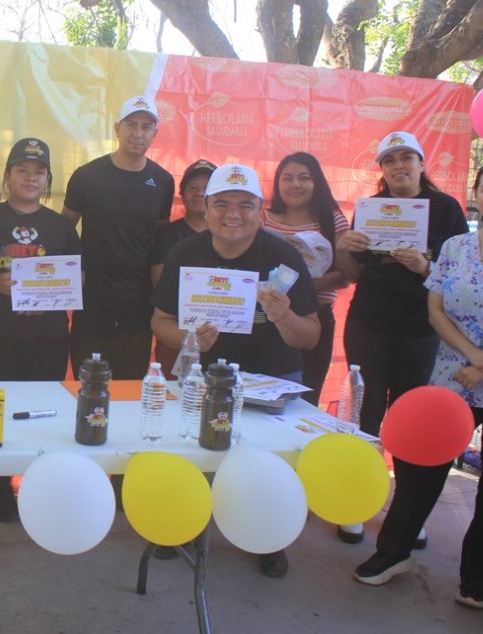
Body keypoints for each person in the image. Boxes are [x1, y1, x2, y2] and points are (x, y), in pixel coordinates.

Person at [352, 159, 483, 606]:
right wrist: (474, 358)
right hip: (452, 378)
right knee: (420, 468)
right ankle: (393, 553)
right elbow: (435, 309)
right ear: (476, 195)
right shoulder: (455, 247)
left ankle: (475, 574)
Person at [151, 163, 320, 577]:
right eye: (222, 204)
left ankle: (270, 537)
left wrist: (283, 317)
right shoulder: (184, 254)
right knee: (188, 455)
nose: (233, 214)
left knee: (270, 466)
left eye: (245, 205)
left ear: (260, 210)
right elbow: (159, 322)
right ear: (205, 208)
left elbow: (310, 337)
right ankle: (183, 522)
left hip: (273, 380)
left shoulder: (283, 257)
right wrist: (190, 339)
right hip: (202, 378)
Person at [335, 131, 468, 548]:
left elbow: (463, 275)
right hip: (369, 322)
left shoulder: (446, 209)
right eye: (389, 159)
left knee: (410, 419)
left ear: (421, 164)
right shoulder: (371, 209)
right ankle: (357, 501)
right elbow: (354, 274)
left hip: (421, 328)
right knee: (366, 410)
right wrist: (344, 247)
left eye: (406, 157)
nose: (398, 165)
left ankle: (406, 514)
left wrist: (426, 267)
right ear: (382, 169)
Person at [0, 137, 81, 521]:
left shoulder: (61, 226)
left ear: (48, 180)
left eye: (39, 172)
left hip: (46, 339)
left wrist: (52, 296)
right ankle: (1, 486)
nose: (31, 178)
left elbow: (78, 278)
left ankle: (39, 484)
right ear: (7, 176)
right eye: (23, 170)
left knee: (43, 414)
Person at [62, 95, 174, 379]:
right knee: (88, 385)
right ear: (117, 128)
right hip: (92, 301)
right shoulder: (87, 176)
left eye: (146, 127)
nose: (138, 133)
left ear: (155, 133)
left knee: (130, 386)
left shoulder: (162, 181)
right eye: (131, 124)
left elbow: (159, 237)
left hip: (137, 303)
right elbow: (64, 231)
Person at [262, 152, 349, 406]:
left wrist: (299, 289)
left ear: (316, 182)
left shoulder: (332, 219)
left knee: (306, 400)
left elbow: (345, 276)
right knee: (263, 396)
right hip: (265, 320)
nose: (295, 185)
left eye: (304, 178)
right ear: (278, 184)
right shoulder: (261, 218)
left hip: (315, 317)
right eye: (287, 178)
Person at [150, 159, 215, 377]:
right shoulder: (168, 234)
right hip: (176, 333)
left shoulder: (231, 235)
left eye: (206, 187)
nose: (199, 193)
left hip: (223, 333)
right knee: (176, 391)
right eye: (192, 188)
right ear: (183, 195)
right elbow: (160, 284)